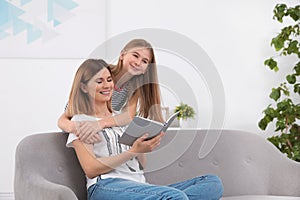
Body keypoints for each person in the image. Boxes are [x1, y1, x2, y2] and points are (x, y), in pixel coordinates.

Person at [66, 58, 224, 200]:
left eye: (109, 80)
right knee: (175, 197)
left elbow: (141, 165)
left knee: (212, 183)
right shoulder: (81, 121)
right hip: (105, 186)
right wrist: (132, 151)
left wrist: (143, 145)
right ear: (84, 88)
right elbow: (91, 169)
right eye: (99, 81)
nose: (107, 85)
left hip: (139, 185)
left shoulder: (121, 118)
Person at [58, 39, 164, 144]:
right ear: (122, 54)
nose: (138, 62)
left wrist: (99, 124)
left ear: (146, 69)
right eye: (135, 56)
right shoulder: (104, 72)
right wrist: (75, 128)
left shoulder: (134, 87)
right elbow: (65, 117)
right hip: (80, 129)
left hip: (98, 131)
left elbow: (128, 116)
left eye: (144, 61)